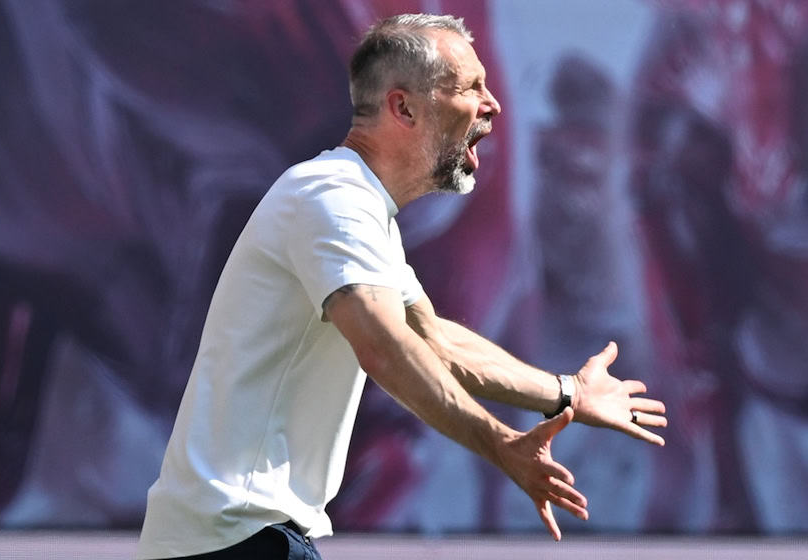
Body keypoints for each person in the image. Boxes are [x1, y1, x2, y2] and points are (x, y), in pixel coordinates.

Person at [136, 13, 667, 559]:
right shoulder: (333, 198)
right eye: (471, 87)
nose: (494, 105)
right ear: (404, 107)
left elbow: (436, 342)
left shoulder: (360, 209)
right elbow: (385, 349)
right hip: (235, 541)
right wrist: (500, 444)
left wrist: (568, 393)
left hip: (243, 539)